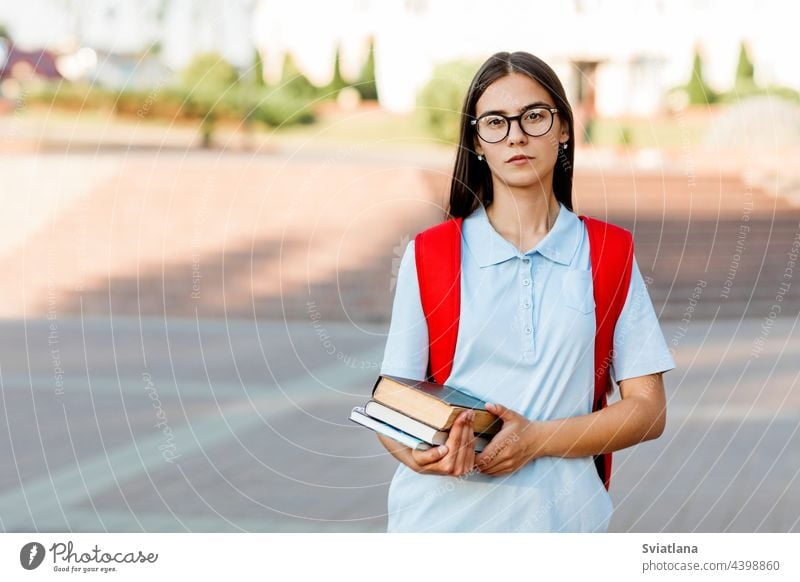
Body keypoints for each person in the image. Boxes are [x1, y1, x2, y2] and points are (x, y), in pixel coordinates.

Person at [376, 51, 675, 532]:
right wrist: (415, 454)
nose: (515, 135)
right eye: (495, 121)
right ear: (478, 141)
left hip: (565, 527)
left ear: (563, 130)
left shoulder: (607, 253)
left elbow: (647, 410)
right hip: (437, 530)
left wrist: (535, 440)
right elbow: (392, 400)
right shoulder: (431, 253)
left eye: (534, 116)